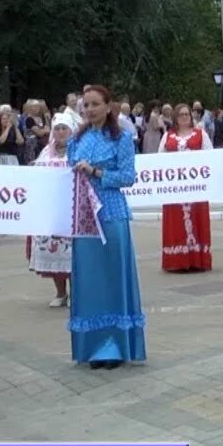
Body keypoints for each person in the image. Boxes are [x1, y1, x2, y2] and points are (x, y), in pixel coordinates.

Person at [67, 85, 144, 370]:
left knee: (112, 277)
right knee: (89, 279)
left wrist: (96, 172)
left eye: (95, 104)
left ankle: (114, 344)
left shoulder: (121, 137)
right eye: (85, 105)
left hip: (110, 212)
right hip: (85, 217)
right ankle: (91, 345)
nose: (89, 110)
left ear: (108, 106)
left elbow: (128, 176)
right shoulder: (78, 139)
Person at [28, 114, 76, 306]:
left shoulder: (78, 151)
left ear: (71, 130)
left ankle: (75, 293)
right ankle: (60, 293)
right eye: (57, 129)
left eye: (64, 128)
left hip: (72, 210)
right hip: (51, 211)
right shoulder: (46, 152)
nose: (61, 132)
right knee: (53, 253)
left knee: (72, 254)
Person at [160, 104, 213, 273]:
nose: (184, 117)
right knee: (175, 221)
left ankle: (197, 259)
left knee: (198, 218)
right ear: (175, 117)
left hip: (195, 186)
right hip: (174, 187)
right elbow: (159, 157)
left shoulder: (200, 134)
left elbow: (210, 155)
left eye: (187, 114)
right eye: (181, 114)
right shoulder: (168, 135)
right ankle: (177, 260)